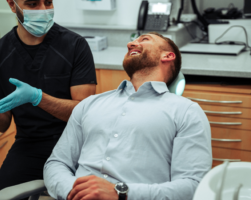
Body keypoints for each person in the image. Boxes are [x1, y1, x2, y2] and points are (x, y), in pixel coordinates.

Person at [44, 32, 212, 200]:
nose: (131, 44)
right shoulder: (89, 105)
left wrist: (120, 192)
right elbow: (57, 163)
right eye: (133, 40)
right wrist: (73, 192)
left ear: (167, 56)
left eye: (144, 39)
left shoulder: (186, 112)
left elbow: (193, 185)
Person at [0, 0, 97, 195]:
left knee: (85, 194)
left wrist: (37, 97)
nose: (44, 10)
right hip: (30, 143)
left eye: (48, 2)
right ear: (11, 5)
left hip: (76, 143)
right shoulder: (0, 52)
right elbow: (2, 124)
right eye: (33, 4)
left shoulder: (75, 45)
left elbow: (84, 112)